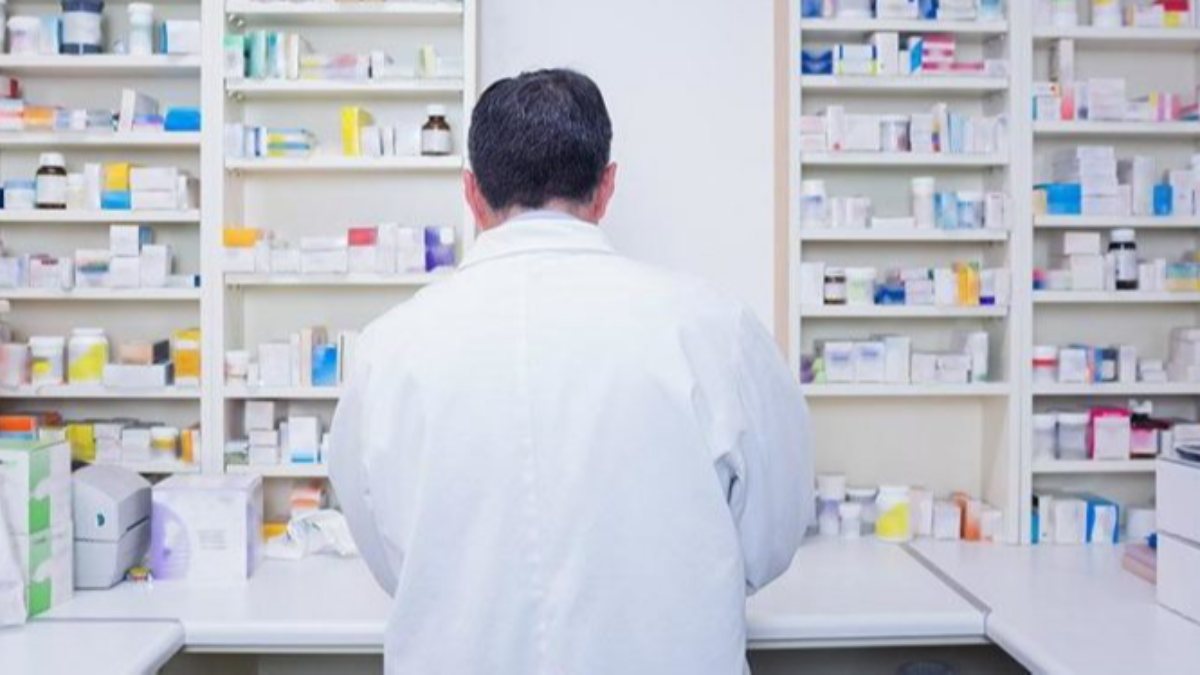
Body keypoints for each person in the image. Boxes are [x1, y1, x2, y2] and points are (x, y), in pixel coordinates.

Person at [329, 68, 814, 675]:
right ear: (607, 187)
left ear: (472, 194)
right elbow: (772, 534)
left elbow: (384, 550)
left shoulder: (389, 348)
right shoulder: (714, 329)